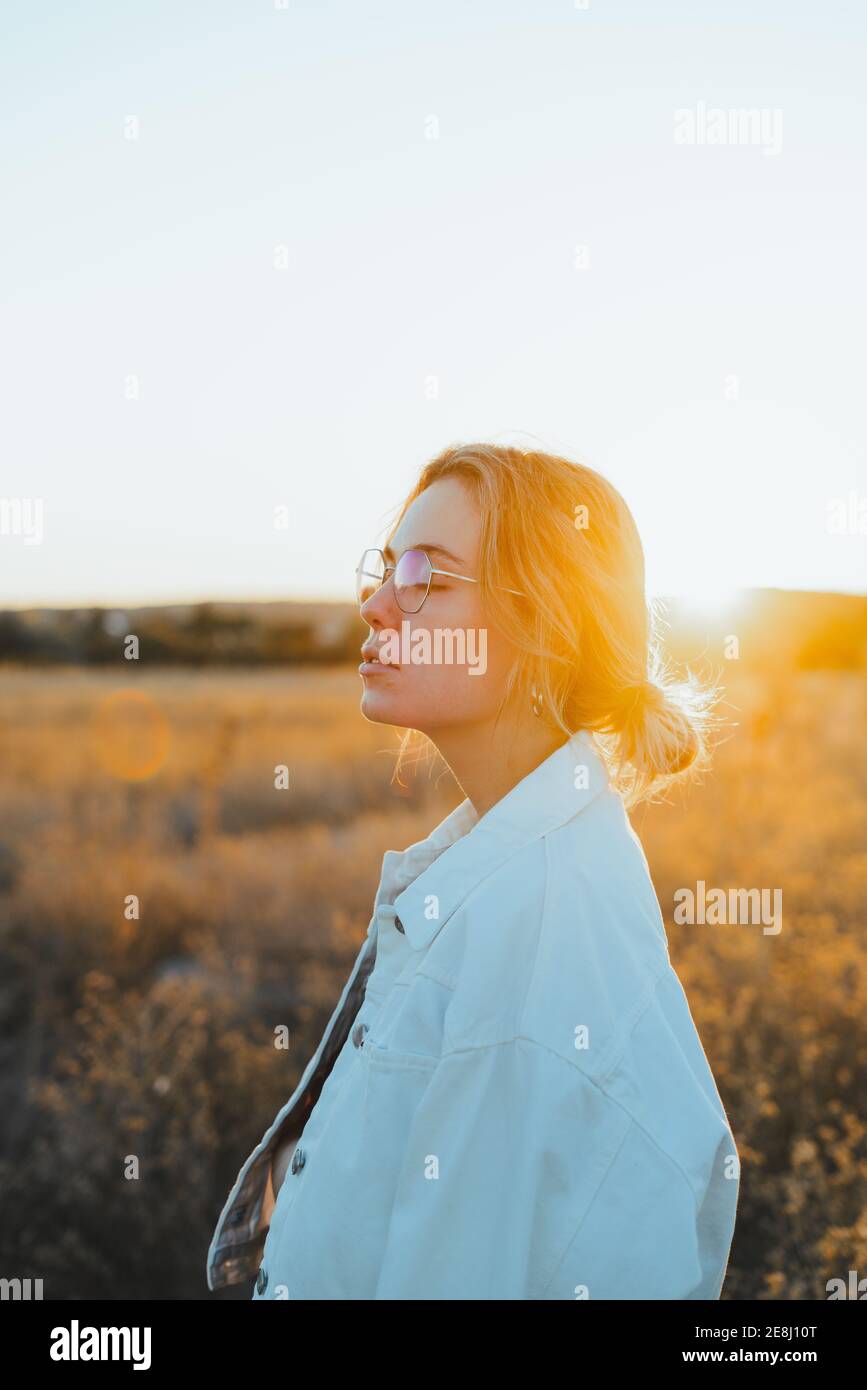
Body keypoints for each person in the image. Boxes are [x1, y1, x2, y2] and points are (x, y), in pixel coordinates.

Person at [206, 442, 740, 1300]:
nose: (378, 605)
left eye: (428, 578)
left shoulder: (533, 937)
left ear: (544, 625)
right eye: (385, 569)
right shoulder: (507, 871)